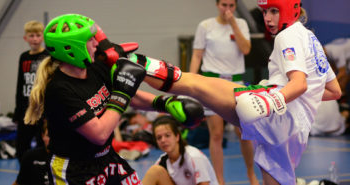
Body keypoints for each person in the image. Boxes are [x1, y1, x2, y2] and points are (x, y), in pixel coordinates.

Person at [129, 0, 342, 184]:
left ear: (291, 8)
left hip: (280, 117)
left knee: (194, 84)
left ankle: (129, 63)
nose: (267, 18)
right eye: (265, 12)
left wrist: (272, 100)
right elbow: (334, 91)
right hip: (296, 131)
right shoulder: (310, 38)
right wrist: (283, 99)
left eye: (274, 11)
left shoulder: (287, 36)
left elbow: (299, 84)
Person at [23, 13, 203, 185]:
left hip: (107, 159)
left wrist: (164, 103)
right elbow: (100, 134)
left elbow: (131, 95)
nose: (95, 44)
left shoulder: (94, 68)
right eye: (89, 40)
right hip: (73, 169)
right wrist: (121, 94)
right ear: (72, 48)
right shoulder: (59, 89)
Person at [189, 0, 257, 184]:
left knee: (244, 132)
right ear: (217, 5)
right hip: (212, 82)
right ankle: (220, 180)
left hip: (236, 83)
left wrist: (233, 23)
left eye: (231, 5)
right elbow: (197, 55)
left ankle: (251, 175)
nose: (227, 9)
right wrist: (190, 82)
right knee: (216, 134)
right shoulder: (205, 26)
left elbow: (246, 49)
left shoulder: (241, 23)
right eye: (224, 5)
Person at [142, 116, 219, 185]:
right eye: (159, 138)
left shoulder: (193, 157)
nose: (163, 140)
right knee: (155, 171)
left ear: (177, 136)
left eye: (167, 135)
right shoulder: (162, 161)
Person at [13, 20, 49, 163]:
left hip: (41, 108)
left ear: (42, 37)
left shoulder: (47, 56)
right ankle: (25, 174)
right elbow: (20, 83)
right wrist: (17, 110)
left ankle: (43, 174)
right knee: (22, 145)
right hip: (25, 109)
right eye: (31, 35)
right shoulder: (24, 57)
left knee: (42, 144)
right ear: (25, 38)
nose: (34, 39)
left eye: (38, 35)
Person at [12, 120, 50, 185]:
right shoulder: (30, 156)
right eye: (48, 135)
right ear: (43, 136)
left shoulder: (68, 159)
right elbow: (19, 182)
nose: (52, 139)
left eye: (56, 135)